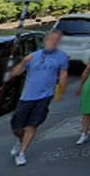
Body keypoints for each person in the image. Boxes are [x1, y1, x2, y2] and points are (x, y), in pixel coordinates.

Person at [10, 30, 70, 166]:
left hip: (44, 96)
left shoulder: (62, 57)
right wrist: (23, 61)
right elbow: (15, 73)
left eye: (56, 40)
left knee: (33, 124)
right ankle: (20, 140)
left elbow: (63, 74)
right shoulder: (33, 56)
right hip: (26, 96)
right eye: (51, 39)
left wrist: (61, 91)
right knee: (16, 127)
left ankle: (22, 154)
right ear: (45, 41)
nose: (53, 42)